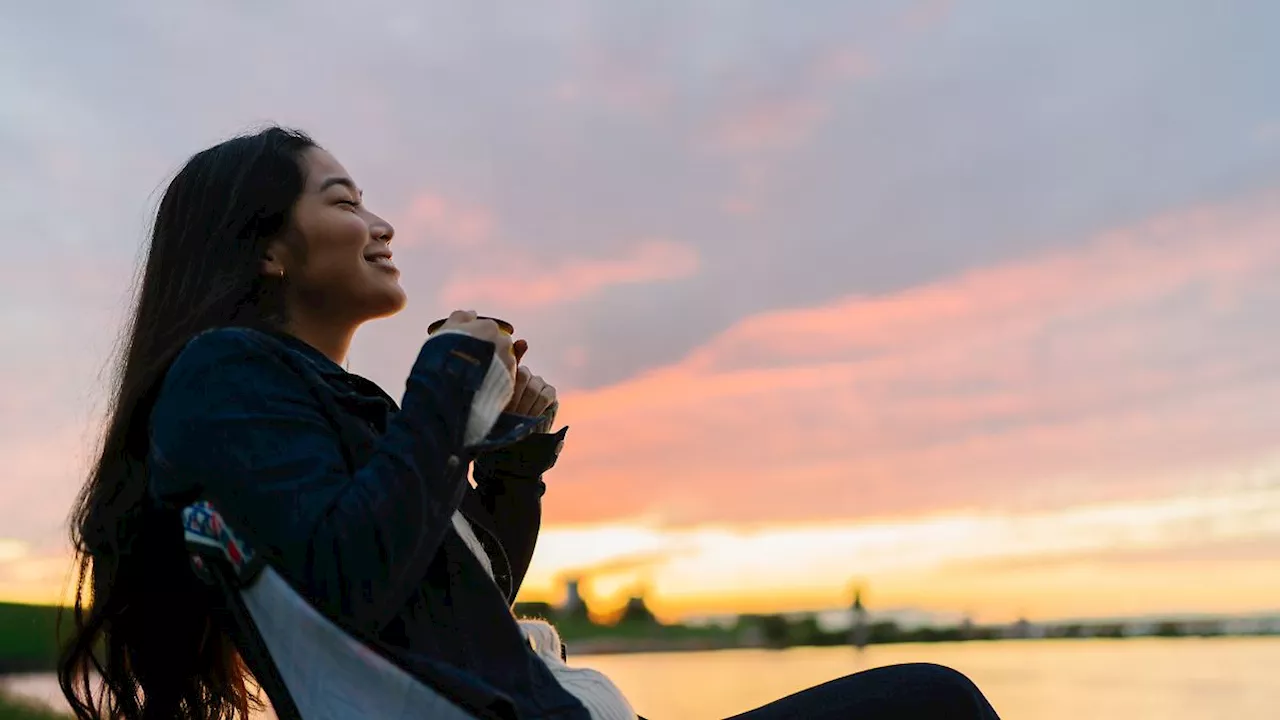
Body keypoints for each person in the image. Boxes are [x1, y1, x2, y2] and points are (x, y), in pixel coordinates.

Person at [58, 126, 1000, 720]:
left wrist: (512, 462)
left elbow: (459, 598)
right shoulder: (222, 374)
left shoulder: (317, 402)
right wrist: (452, 364)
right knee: (933, 701)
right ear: (266, 247)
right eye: (343, 201)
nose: (381, 224)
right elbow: (348, 582)